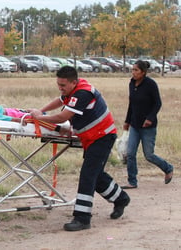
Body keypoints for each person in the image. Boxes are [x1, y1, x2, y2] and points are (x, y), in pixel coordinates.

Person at [29, 66, 130, 231]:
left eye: (63, 85)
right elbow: (60, 100)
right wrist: (41, 110)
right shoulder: (72, 90)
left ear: (73, 82)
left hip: (102, 137)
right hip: (93, 138)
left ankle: (82, 218)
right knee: (95, 174)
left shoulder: (82, 93)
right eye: (58, 85)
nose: (60, 88)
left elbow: (63, 116)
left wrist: (41, 118)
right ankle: (121, 198)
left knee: (88, 175)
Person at [122, 60, 173, 189]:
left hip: (148, 127)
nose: (133, 73)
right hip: (134, 124)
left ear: (143, 72)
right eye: (132, 70)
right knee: (130, 153)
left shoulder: (150, 84)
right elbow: (131, 104)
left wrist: (150, 118)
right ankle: (132, 181)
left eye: (136, 70)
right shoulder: (131, 83)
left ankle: (168, 168)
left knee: (149, 155)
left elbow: (158, 103)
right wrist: (127, 121)